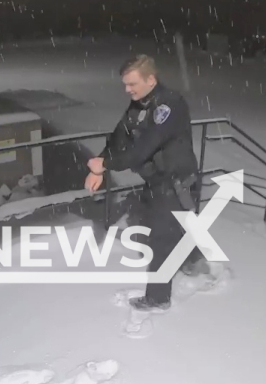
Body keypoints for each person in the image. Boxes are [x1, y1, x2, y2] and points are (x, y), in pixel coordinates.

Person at [85, 54, 209, 312]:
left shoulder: (169, 105)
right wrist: (99, 163)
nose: (127, 90)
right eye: (125, 85)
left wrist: (105, 166)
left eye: (132, 84)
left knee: (161, 240)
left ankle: (158, 298)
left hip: (176, 184)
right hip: (157, 182)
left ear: (151, 79)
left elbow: (141, 149)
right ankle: (195, 262)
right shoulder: (138, 105)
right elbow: (119, 139)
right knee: (173, 228)